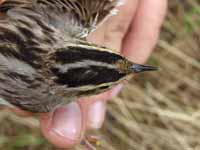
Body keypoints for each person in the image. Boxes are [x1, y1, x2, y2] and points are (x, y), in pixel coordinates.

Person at [6, 0, 168, 148]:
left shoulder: (61, 16)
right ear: (87, 92)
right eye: (106, 86)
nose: (133, 68)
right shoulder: (39, 99)